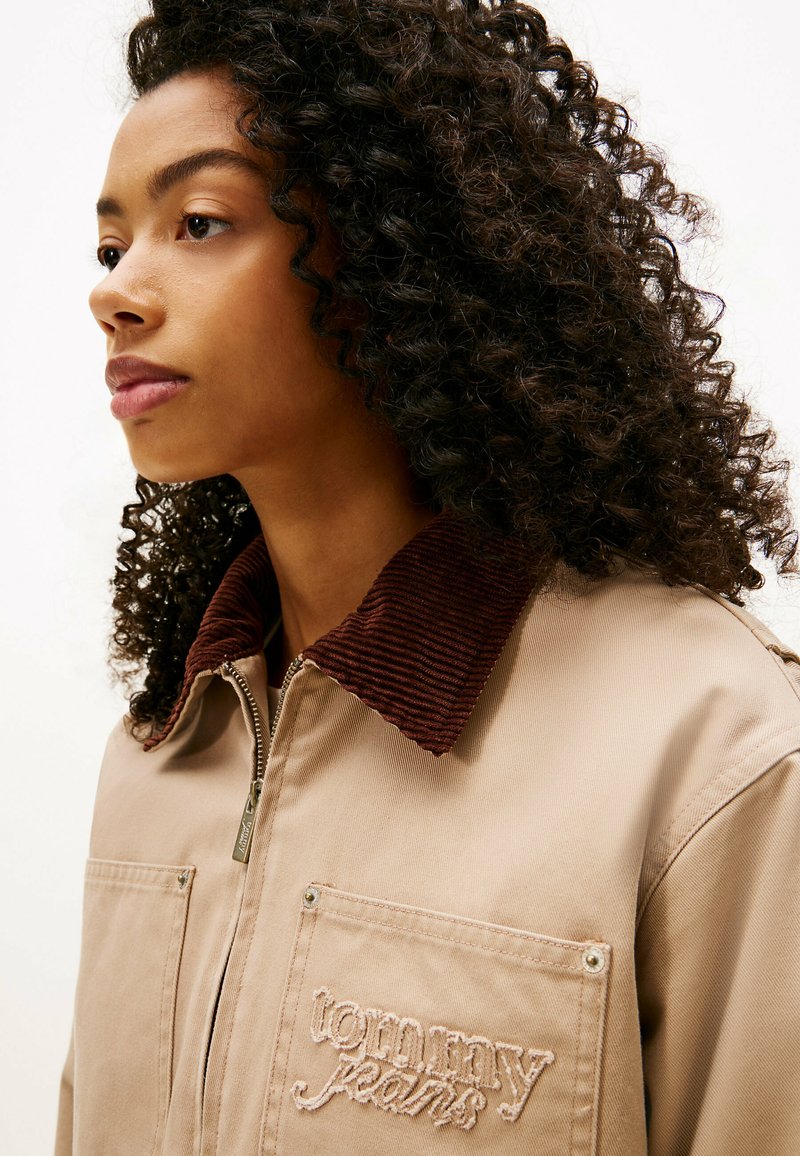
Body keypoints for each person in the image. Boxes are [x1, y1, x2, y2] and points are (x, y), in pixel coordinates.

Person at [56, 1, 800, 1152]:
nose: (116, 290)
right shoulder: (158, 756)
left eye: (199, 222)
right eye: (113, 247)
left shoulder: (707, 752)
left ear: (386, 246)